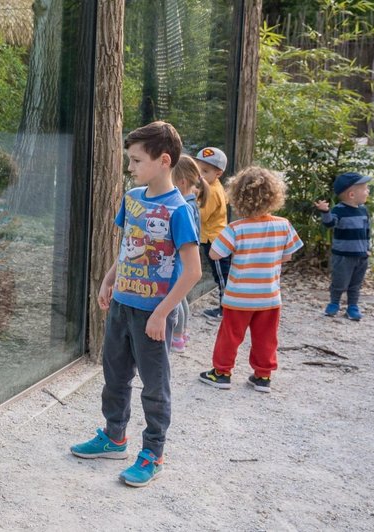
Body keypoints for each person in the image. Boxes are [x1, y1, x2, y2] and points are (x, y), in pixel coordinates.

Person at [70, 121, 202, 486]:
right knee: (114, 376)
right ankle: (115, 437)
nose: (130, 168)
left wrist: (162, 313)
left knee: (154, 386)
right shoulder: (132, 199)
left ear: (163, 160)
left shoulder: (179, 210)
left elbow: (192, 271)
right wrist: (109, 279)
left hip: (153, 315)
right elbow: (129, 246)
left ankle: (153, 453)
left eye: (136, 161)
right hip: (121, 306)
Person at [199, 166, 303, 392]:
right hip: (269, 295)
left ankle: (222, 373)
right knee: (266, 337)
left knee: (230, 335)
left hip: (239, 297)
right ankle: (263, 376)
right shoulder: (283, 225)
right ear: (275, 196)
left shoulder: (235, 229)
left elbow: (214, 253)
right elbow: (288, 255)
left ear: (237, 198)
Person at [313, 172, 372, 321]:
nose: (368, 191)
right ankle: (334, 303)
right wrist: (325, 212)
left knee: (356, 283)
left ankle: (353, 306)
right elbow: (330, 223)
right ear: (351, 194)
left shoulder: (363, 210)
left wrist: (367, 248)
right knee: (339, 281)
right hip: (343, 255)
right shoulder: (339, 210)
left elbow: (367, 231)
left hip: (361, 254)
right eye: (365, 189)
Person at [170, 154, 209, 353]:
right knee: (181, 298)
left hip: (183, 260)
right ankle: (181, 333)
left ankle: (177, 337)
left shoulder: (184, 206)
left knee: (177, 299)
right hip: (185, 258)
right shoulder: (192, 203)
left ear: (181, 182)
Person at [195, 146, 230, 323]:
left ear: (219, 173)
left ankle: (225, 310)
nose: (200, 175)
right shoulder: (215, 186)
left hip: (214, 239)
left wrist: (191, 201)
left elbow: (201, 215)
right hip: (217, 237)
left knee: (222, 276)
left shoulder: (212, 191)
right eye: (198, 170)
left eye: (205, 171)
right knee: (223, 274)